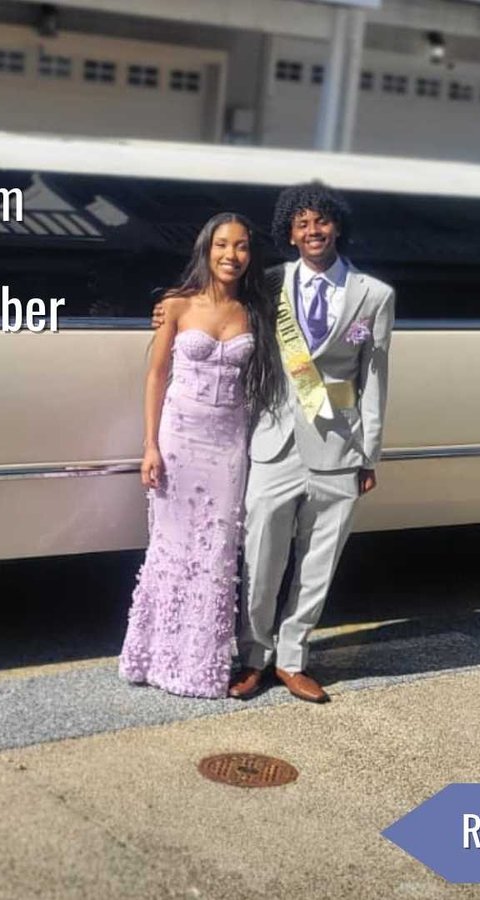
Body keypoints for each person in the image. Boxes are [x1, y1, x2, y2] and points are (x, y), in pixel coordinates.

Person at [155, 182, 395, 704]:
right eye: (302, 223)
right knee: (260, 557)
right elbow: (213, 305)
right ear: (290, 232)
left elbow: (374, 379)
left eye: (321, 222)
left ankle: (293, 659)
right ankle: (253, 656)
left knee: (318, 562)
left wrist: (368, 454)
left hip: (338, 445)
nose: (313, 231)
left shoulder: (374, 296)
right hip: (272, 444)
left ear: (336, 227)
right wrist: (167, 312)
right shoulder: (266, 285)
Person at [118, 213, 284, 699]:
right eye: (222, 245)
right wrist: (149, 445)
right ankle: (151, 658)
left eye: (242, 247)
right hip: (179, 438)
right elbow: (156, 376)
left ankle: (198, 667)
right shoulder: (176, 304)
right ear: (206, 250)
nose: (231, 255)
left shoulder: (256, 311)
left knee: (215, 554)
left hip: (228, 444)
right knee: (170, 549)